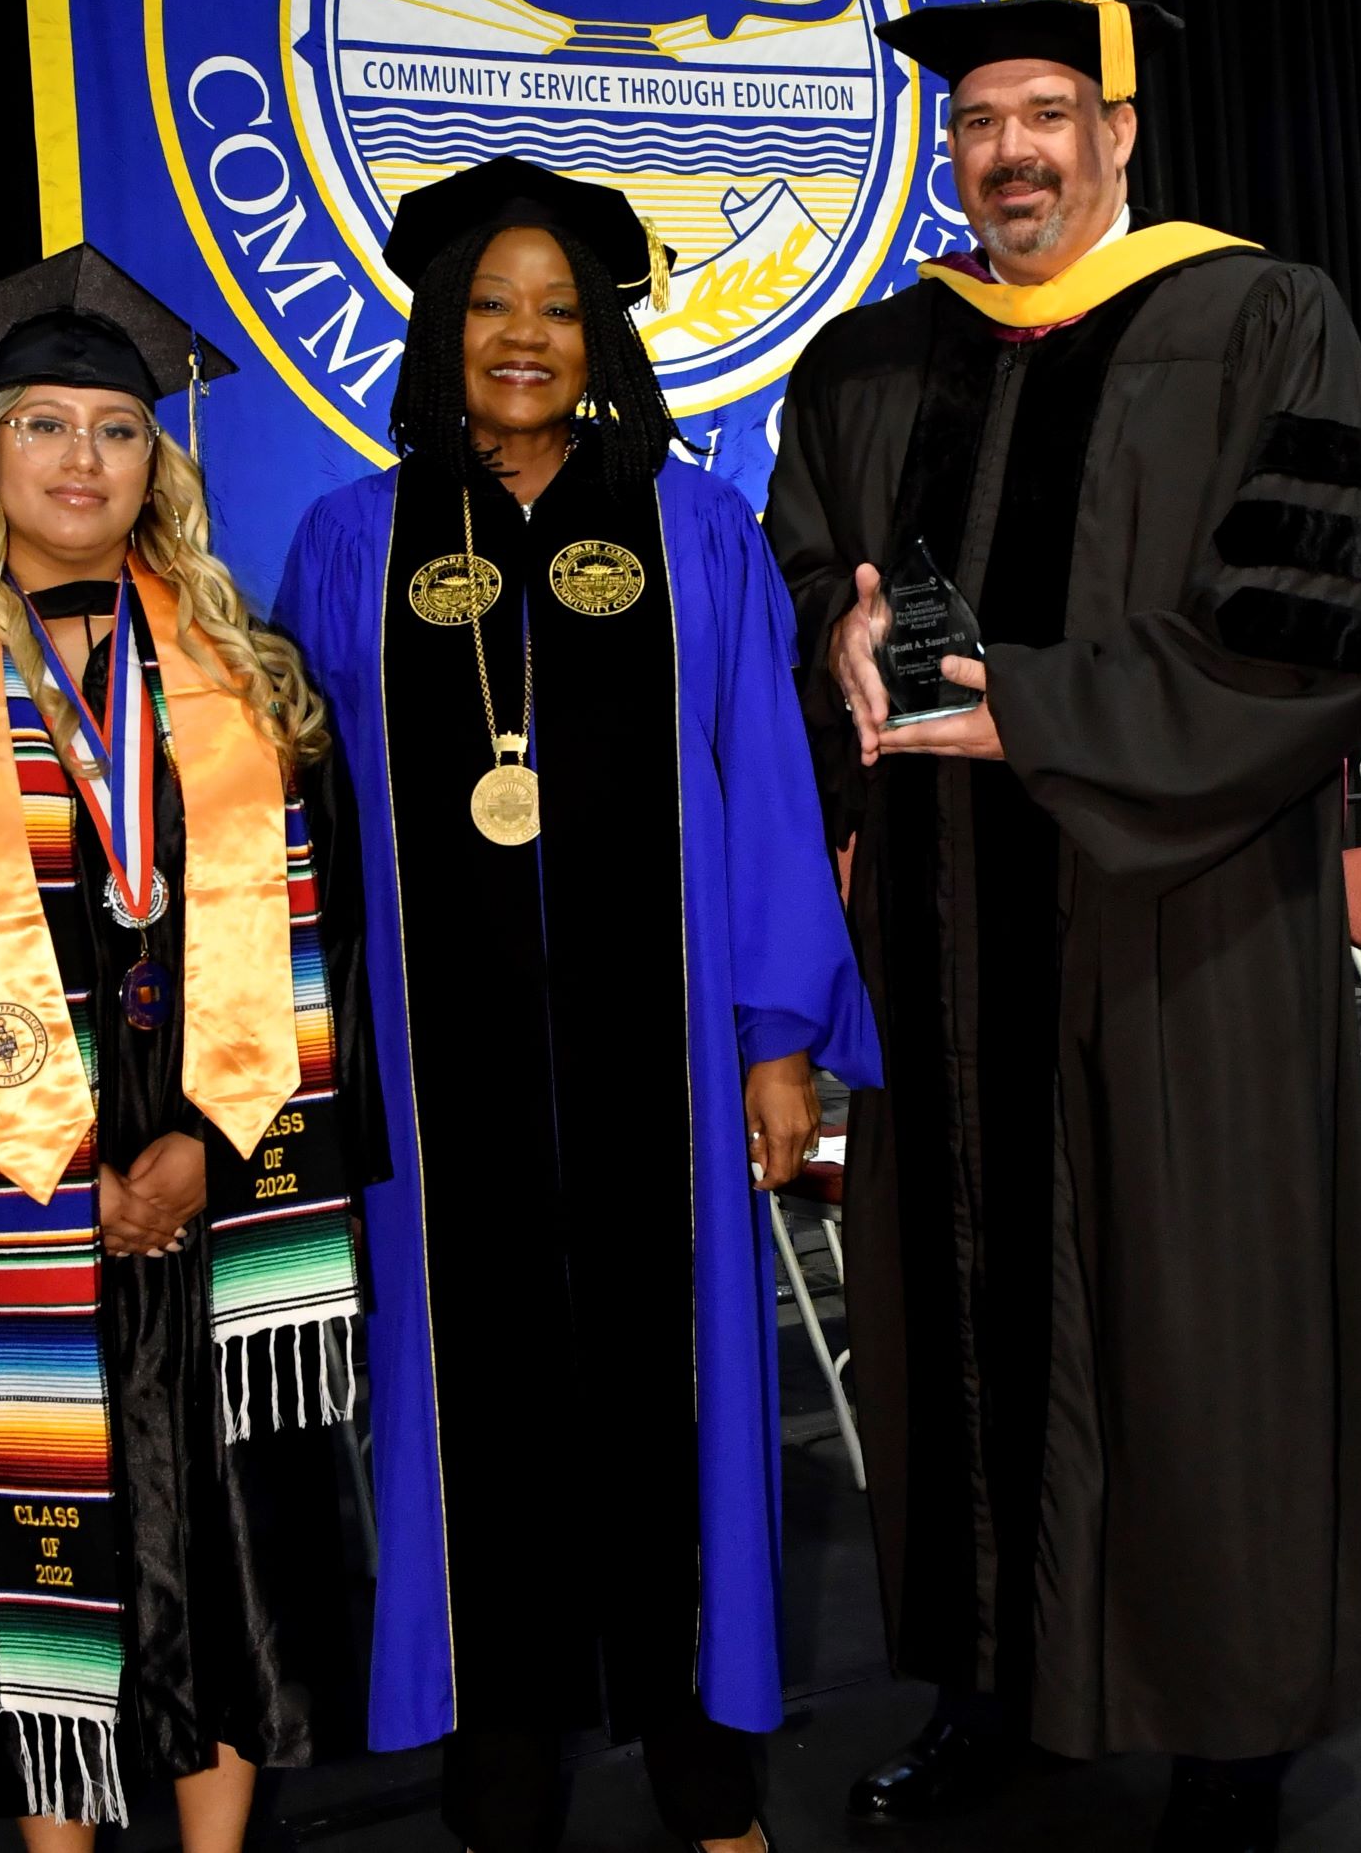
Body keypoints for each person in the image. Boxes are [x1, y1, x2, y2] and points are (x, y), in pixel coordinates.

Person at [763, 0, 1361, 1853]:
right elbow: (810, 565)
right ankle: (990, 1689)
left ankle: (1228, 1730)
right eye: (978, 122)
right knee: (950, 1311)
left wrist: (1034, 708)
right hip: (949, 941)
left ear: (1119, 130)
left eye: (1048, 113)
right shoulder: (877, 361)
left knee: (1196, 1319)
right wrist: (842, 633)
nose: (1012, 152)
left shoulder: (1263, 318)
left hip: (1180, 925)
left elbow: (1314, 630)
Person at [277, 156, 878, 1853]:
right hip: (436, 1064)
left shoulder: (692, 528)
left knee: (672, 1393)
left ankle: (702, 1763)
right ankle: (505, 1759)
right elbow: (299, 821)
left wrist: (776, 1038)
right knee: (472, 1408)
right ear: (440, 330)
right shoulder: (352, 538)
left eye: (559, 308)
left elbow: (764, 780)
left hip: (665, 1063)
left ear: (604, 333)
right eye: (490, 306)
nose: (525, 338)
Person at [0, 246, 383, 1849]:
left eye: (117, 429)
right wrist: (69, 1178)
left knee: (237, 1541)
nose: (83, 460)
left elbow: (317, 940)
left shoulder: (248, 675)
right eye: (45, 425)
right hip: (19, 1188)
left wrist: (199, 1149)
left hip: (217, 1160)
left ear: (161, 461)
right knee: (42, 1542)